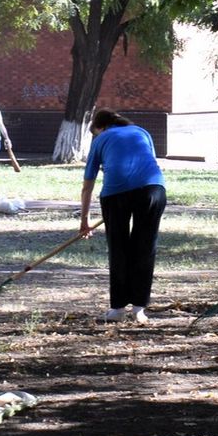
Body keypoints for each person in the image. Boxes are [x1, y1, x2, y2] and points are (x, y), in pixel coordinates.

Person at [80, 109, 166, 322]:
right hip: (153, 190)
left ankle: (118, 309)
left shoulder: (100, 139)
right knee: (145, 247)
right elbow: (148, 162)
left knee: (119, 248)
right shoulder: (142, 131)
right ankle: (139, 309)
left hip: (116, 194)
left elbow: (88, 184)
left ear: (100, 127)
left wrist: (84, 220)